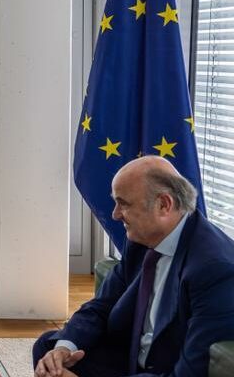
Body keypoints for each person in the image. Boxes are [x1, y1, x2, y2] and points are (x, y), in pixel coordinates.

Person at [33, 156, 234, 377]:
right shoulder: (142, 239)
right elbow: (99, 308)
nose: (115, 214)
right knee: (49, 351)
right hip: (132, 356)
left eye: (124, 204)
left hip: (167, 370)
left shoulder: (215, 270)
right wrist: (64, 349)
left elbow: (191, 372)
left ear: (164, 205)